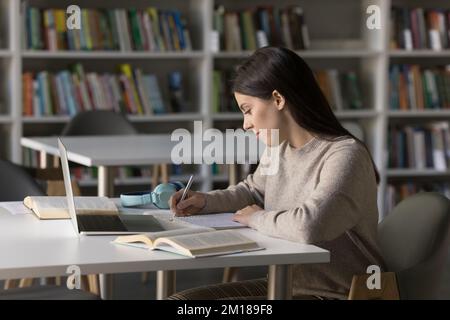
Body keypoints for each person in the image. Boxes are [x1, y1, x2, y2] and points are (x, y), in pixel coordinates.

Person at [168, 46, 385, 300]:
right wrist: (204, 201)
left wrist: (256, 218)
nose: (245, 124)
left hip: (336, 294)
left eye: (247, 109)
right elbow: (252, 191)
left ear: (278, 99)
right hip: (285, 285)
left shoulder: (345, 155)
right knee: (182, 303)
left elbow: (310, 226)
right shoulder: (278, 148)